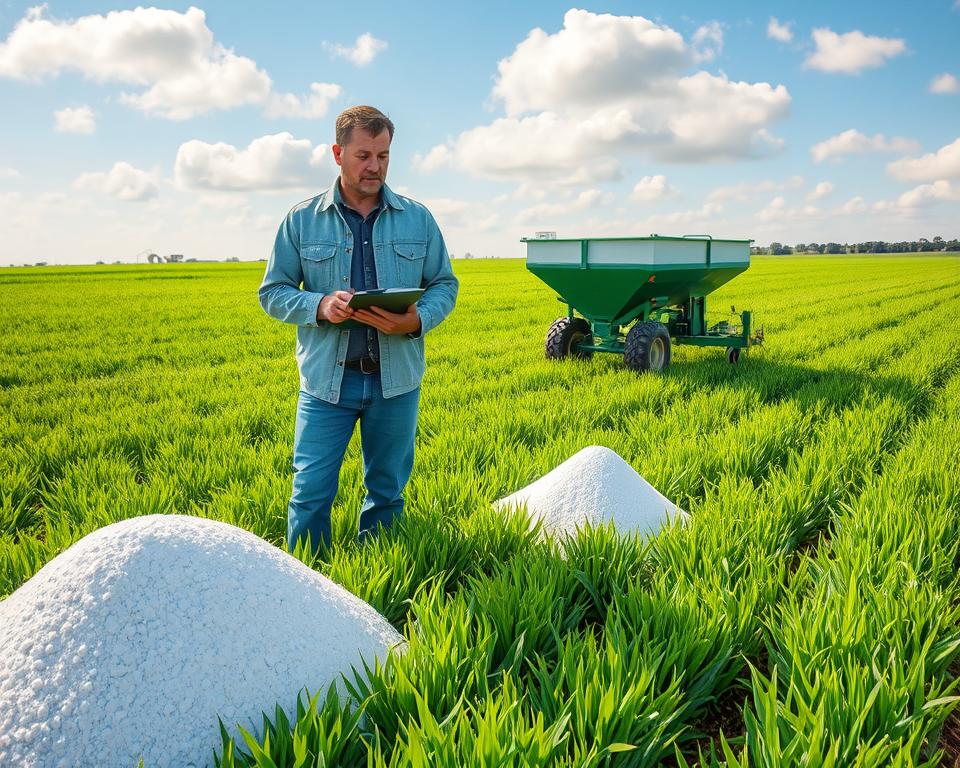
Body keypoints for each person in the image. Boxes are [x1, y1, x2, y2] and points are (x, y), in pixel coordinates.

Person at [258, 105, 458, 555]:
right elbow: (272, 292)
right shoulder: (301, 219)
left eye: (384, 156)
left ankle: (374, 587)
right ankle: (308, 593)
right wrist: (321, 304)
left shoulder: (418, 218)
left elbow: (444, 283)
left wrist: (418, 319)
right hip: (327, 384)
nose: (375, 167)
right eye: (364, 155)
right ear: (337, 153)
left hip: (396, 381)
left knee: (387, 496)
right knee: (309, 495)